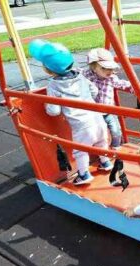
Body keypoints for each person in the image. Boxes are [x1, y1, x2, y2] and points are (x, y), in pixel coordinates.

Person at [28, 39, 113, 185]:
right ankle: (106, 163)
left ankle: (84, 175)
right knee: (101, 141)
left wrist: (47, 107)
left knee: (81, 150)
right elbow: (95, 90)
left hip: (81, 124)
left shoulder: (53, 86)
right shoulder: (81, 77)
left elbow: (54, 111)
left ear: (48, 69)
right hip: (97, 118)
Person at [82, 48, 135, 150]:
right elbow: (76, 74)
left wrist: (134, 88)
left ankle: (116, 147)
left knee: (116, 131)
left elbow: (122, 84)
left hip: (109, 110)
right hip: (93, 112)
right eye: (104, 68)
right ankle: (99, 150)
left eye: (111, 68)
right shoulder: (87, 75)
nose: (109, 71)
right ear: (93, 67)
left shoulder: (112, 78)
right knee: (97, 133)